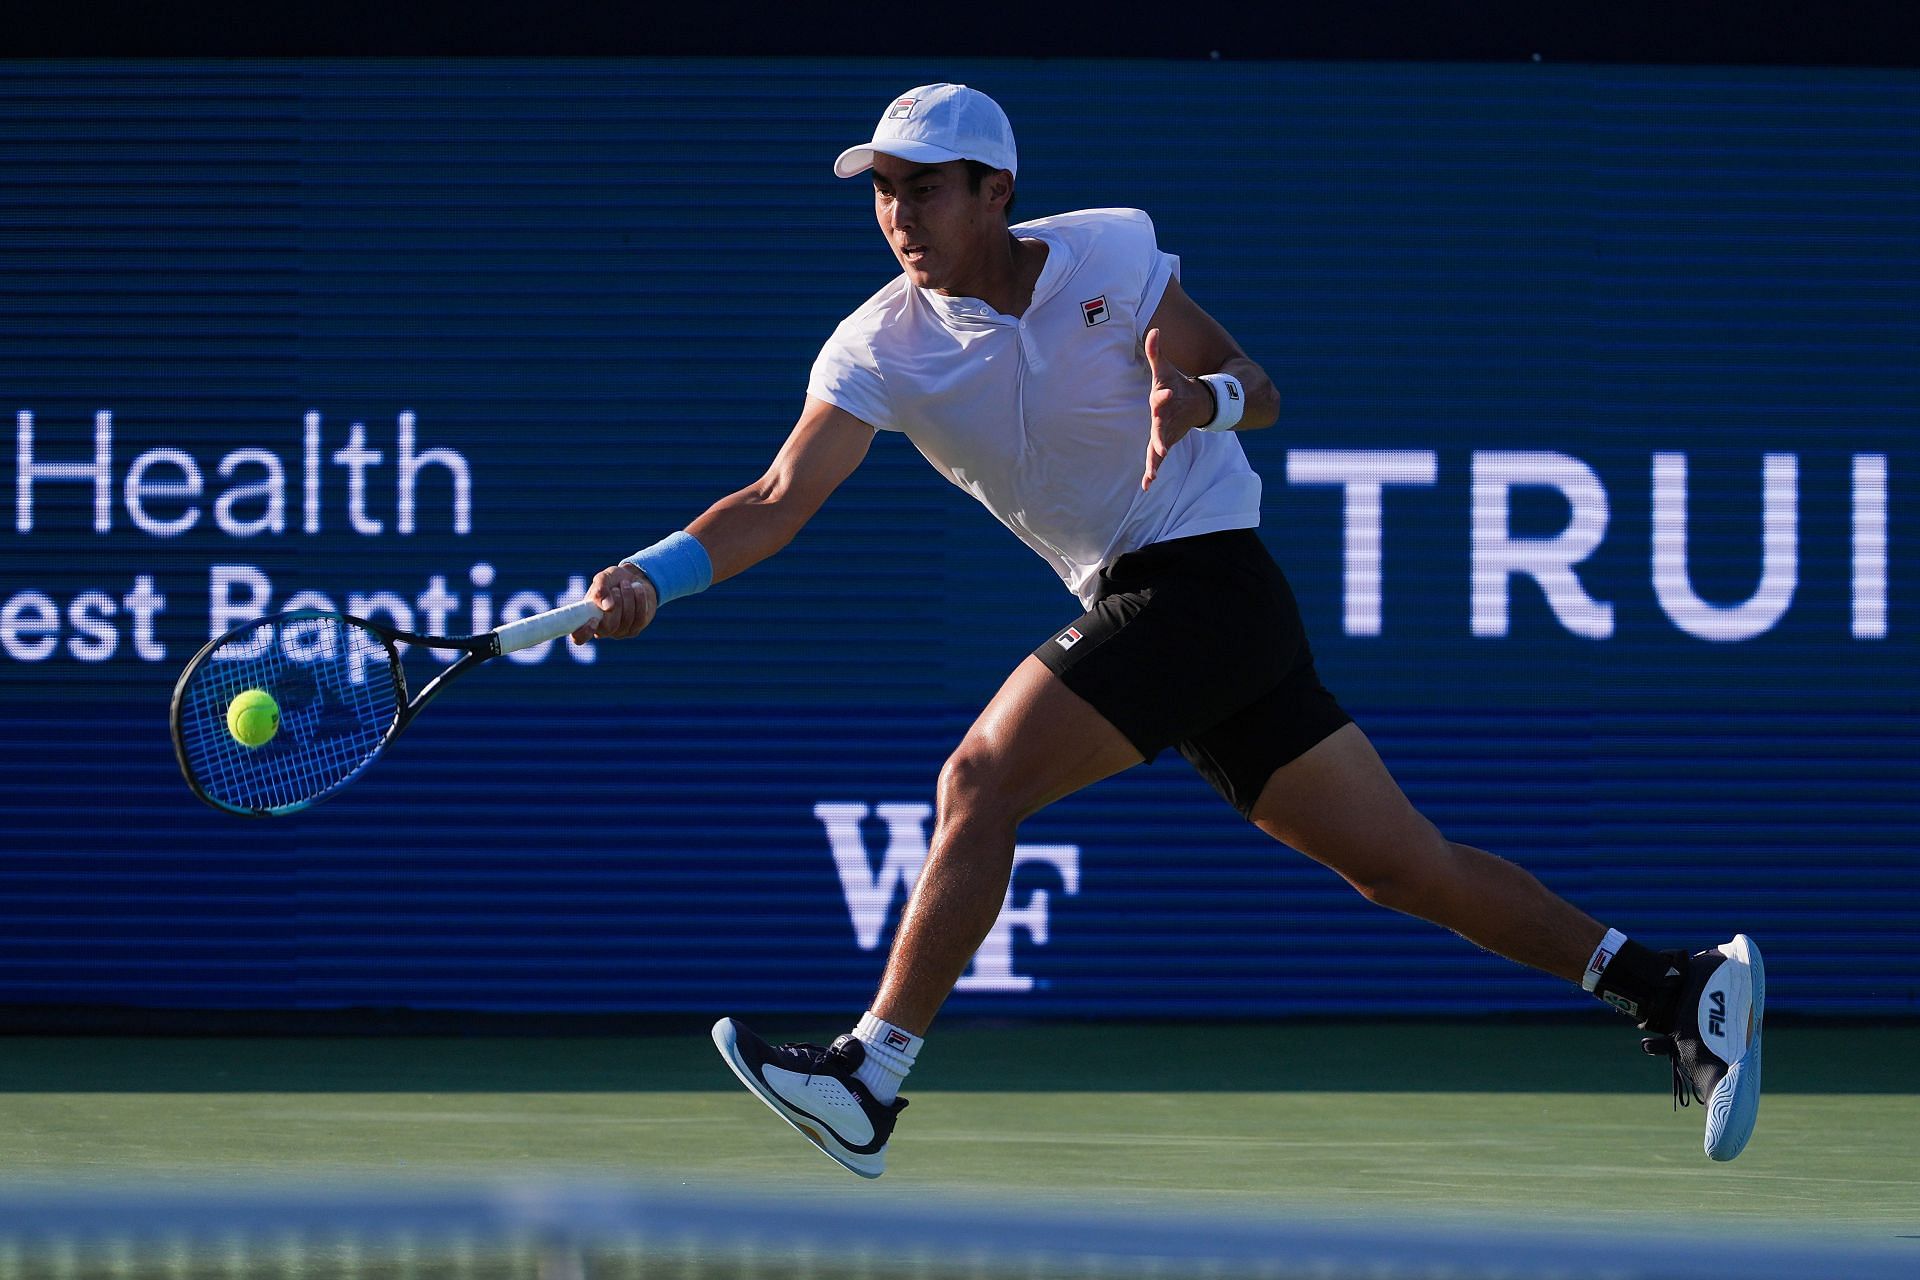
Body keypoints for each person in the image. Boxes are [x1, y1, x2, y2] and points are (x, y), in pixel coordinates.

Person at [571, 83, 1764, 1178]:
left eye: (923, 185)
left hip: (1207, 582)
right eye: (882, 188)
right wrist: (655, 576)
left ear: (998, 191)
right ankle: (1675, 983)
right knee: (1404, 867)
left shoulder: (1111, 255)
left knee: (979, 779)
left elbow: (1259, 381)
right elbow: (776, 501)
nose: (897, 212)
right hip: (1160, 605)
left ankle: (869, 1075)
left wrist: (1205, 399)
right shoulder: (878, 346)